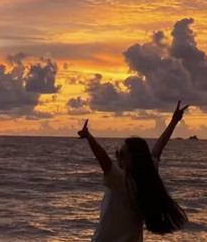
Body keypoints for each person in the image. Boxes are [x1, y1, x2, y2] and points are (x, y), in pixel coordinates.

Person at [78, 100, 190, 240]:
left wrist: (89, 137)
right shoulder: (147, 176)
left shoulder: (120, 180)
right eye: (117, 153)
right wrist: (174, 121)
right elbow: (157, 150)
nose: (117, 158)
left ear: (135, 159)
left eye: (122, 155)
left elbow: (104, 160)